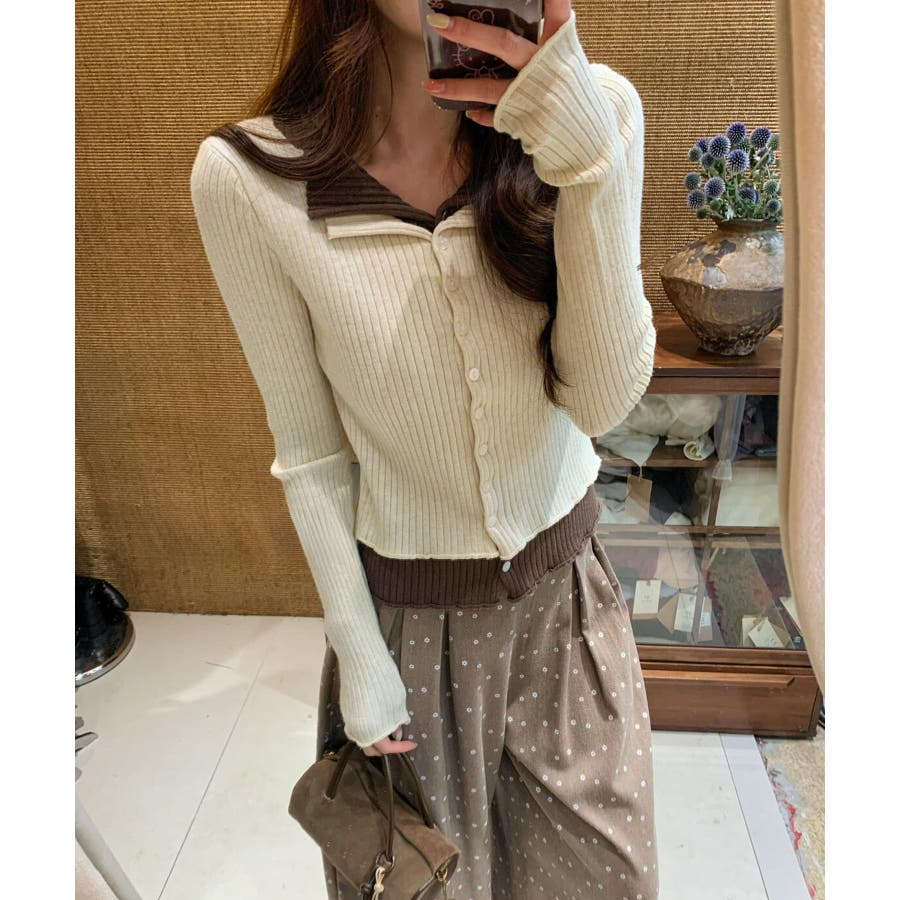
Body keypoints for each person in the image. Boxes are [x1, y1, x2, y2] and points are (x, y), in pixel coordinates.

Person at [190, 1, 659, 896]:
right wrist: (359, 653)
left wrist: (589, 164)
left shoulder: (600, 116)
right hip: (412, 636)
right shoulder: (249, 181)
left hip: (567, 612)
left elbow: (601, 401)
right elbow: (311, 452)